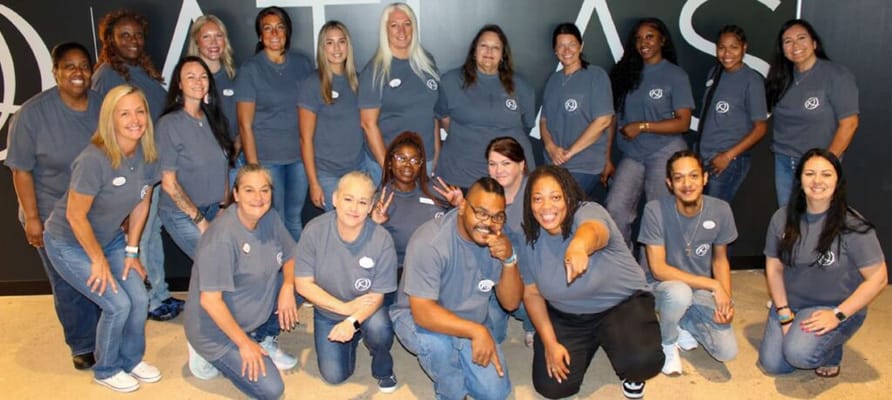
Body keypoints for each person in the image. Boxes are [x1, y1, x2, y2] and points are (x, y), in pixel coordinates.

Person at [42, 85, 162, 392]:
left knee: (139, 297)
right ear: (110, 119)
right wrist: (97, 261)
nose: (135, 119)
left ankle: (131, 360)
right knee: (118, 304)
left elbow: (142, 202)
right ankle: (106, 369)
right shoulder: (93, 159)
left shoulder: (147, 153)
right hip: (69, 242)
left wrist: (132, 252)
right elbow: (75, 216)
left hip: (109, 239)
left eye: (140, 111)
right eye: (125, 113)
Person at [519, 165, 662, 399]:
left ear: (568, 196)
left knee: (642, 362)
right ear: (529, 203)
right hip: (569, 316)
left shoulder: (588, 211)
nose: (546, 207)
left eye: (555, 197)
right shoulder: (530, 238)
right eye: (538, 199)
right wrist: (550, 343)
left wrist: (578, 246)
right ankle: (595, 341)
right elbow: (532, 294)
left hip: (620, 304)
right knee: (552, 388)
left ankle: (623, 337)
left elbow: (594, 231)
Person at [5, 42, 101, 370]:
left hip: (94, 212)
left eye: (84, 66)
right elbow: (21, 169)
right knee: (67, 282)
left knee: (100, 277)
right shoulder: (31, 115)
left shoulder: (105, 107)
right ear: (56, 72)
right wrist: (32, 218)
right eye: (69, 66)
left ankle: (104, 335)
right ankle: (83, 343)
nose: (78, 73)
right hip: (50, 213)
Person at [390, 177, 523, 400]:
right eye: (480, 213)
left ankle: (460, 350)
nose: (489, 223)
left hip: (470, 317)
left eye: (497, 216)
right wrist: (476, 331)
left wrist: (509, 259)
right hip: (415, 315)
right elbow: (422, 312)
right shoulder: (430, 241)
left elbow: (511, 303)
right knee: (438, 346)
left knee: (494, 393)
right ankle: (451, 392)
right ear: (462, 207)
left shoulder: (498, 239)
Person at [758, 149, 886, 378]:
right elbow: (774, 267)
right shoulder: (782, 218)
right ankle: (803, 336)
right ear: (800, 179)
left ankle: (831, 350)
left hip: (832, 308)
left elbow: (878, 278)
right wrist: (784, 313)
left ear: (837, 181)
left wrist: (837, 315)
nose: (817, 181)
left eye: (826, 174)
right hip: (791, 304)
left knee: (799, 354)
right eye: (810, 173)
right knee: (773, 365)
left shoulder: (853, 226)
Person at [184, 164, 300, 399]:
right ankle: (205, 355)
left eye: (265, 190)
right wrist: (244, 344)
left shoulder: (270, 218)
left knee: (301, 282)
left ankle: (263, 337)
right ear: (236, 194)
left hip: (249, 315)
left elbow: (292, 256)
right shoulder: (222, 238)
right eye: (249, 190)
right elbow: (210, 301)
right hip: (214, 330)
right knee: (271, 389)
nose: (258, 198)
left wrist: (288, 285)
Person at [92, 9, 176, 320]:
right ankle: (150, 299)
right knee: (142, 235)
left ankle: (159, 292)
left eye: (137, 35)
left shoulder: (141, 71)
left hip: (152, 167)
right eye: (124, 35)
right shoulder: (107, 76)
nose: (133, 41)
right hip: (131, 170)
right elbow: (102, 128)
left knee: (151, 232)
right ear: (110, 40)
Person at [294, 172, 399, 391]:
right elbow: (303, 284)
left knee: (379, 328)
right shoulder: (314, 230)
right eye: (348, 199)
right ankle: (354, 336)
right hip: (328, 310)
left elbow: (379, 295)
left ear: (371, 206)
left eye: (362, 202)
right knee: (335, 376)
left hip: (367, 308)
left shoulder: (382, 239)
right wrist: (343, 309)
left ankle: (381, 364)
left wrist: (352, 321)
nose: (354, 208)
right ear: (335, 199)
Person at [638, 150, 738, 376]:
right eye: (679, 178)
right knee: (679, 293)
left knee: (726, 351)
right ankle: (668, 341)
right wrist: (713, 285)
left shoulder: (721, 210)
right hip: (661, 288)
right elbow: (658, 269)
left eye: (693, 176)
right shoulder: (654, 210)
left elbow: (720, 260)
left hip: (699, 290)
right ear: (669, 183)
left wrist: (726, 301)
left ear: (704, 178)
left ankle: (682, 321)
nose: (687, 183)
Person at [606, 17, 694, 248]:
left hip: (665, 152)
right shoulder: (626, 73)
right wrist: (607, 158)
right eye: (638, 39)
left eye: (650, 37)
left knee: (657, 217)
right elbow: (613, 119)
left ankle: (652, 276)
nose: (643, 43)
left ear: (662, 40)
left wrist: (643, 126)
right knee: (615, 209)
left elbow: (683, 122)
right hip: (633, 154)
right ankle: (626, 270)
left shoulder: (675, 75)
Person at [235, 5, 314, 241]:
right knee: (274, 217)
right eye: (267, 29)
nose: (274, 34)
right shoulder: (251, 69)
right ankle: (280, 274)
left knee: (293, 216)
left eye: (279, 28)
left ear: (287, 32)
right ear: (260, 35)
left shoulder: (302, 64)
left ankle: (297, 273)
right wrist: (254, 169)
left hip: (298, 157)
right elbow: (245, 125)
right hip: (268, 160)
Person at [765, 19, 859, 207]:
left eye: (801, 38)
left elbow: (850, 123)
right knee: (788, 220)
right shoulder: (780, 78)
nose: (795, 46)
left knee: (818, 221)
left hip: (818, 165)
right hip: (784, 161)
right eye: (788, 41)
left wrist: (825, 163)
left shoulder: (836, 75)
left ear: (814, 43)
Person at [436, 24, 537, 189]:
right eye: (484, 46)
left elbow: (526, 124)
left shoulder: (521, 86)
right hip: (462, 176)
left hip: (510, 179)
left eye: (495, 47)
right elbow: (444, 119)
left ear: (502, 54)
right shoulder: (451, 81)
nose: (489, 52)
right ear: (474, 51)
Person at [157, 56, 234, 259]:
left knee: (212, 269)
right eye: (190, 77)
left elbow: (223, 166)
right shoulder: (169, 124)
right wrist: (200, 220)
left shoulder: (213, 118)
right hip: (182, 214)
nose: (198, 82)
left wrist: (223, 207)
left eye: (203, 76)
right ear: (179, 84)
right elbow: (169, 184)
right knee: (215, 262)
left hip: (213, 209)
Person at [359, 2, 440, 179]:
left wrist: (435, 155)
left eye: (407, 24)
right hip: (391, 163)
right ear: (385, 30)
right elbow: (368, 124)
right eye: (394, 26)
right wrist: (388, 167)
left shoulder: (427, 63)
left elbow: (432, 114)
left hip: (422, 160)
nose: (401, 31)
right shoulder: (374, 71)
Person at [540, 22, 614, 202]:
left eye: (572, 44)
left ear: (581, 46)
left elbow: (603, 120)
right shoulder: (553, 80)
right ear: (555, 50)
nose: (566, 50)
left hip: (584, 165)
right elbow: (544, 120)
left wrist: (570, 153)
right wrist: (551, 148)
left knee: (563, 207)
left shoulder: (596, 76)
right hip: (554, 164)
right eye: (561, 46)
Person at [697, 25, 768, 203]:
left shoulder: (752, 80)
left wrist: (728, 156)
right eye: (722, 47)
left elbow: (760, 128)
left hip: (726, 161)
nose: (727, 53)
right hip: (703, 158)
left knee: (713, 217)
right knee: (700, 216)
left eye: (734, 47)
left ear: (744, 48)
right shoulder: (714, 73)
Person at [300, 21, 365, 211]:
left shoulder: (359, 82)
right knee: (341, 225)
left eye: (341, 41)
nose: (336, 48)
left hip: (358, 170)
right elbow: (305, 139)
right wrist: (314, 183)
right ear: (322, 48)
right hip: (327, 175)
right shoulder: (313, 84)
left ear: (348, 45)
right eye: (329, 42)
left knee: (358, 224)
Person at [371, 132, 453, 271]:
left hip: (440, 265)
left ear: (421, 165)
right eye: (401, 158)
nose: (408, 165)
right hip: (400, 270)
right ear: (390, 162)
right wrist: (374, 224)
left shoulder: (437, 190)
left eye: (415, 160)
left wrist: (457, 206)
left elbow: (459, 229)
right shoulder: (381, 201)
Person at [187, 15, 240, 160]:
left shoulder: (236, 77)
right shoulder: (185, 79)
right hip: (198, 160)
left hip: (234, 159)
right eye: (206, 37)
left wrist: (235, 149)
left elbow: (246, 120)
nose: (214, 43)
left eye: (218, 36)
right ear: (197, 42)